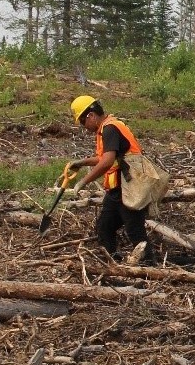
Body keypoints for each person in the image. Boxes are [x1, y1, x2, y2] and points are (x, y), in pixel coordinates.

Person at [65, 96, 155, 263]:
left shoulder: (110, 128)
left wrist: (83, 181)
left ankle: (150, 267)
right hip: (117, 190)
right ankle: (111, 263)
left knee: (135, 230)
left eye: (83, 122)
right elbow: (106, 157)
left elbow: (107, 162)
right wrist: (83, 162)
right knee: (104, 228)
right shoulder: (106, 128)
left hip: (129, 187)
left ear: (91, 115)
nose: (85, 127)